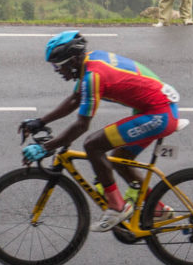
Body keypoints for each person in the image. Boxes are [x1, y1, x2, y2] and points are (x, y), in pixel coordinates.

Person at [19, 31, 181, 232]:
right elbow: (75, 99)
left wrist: (46, 147)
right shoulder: (89, 63)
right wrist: (40, 121)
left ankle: (117, 207)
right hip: (155, 110)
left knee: (93, 145)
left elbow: (81, 125)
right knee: (120, 159)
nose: (57, 70)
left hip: (159, 114)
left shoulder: (93, 76)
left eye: (59, 65)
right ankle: (158, 209)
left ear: (74, 59)